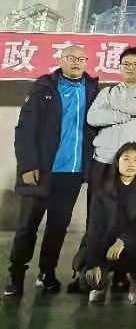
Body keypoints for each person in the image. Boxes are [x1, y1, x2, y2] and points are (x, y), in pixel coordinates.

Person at [4, 45, 99, 296]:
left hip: (72, 173)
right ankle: (16, 274)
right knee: (27, 226)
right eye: (71, 57)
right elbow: (25, 130)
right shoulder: (44, 87)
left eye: (81, 58)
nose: (76, 62)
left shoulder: (92, 90)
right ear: (61, 60)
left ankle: (47, 272)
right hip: (41, 171)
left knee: (58, 226)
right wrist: (28, 165)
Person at [83, 143, 136, 305]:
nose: (131, 164)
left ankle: (135, 280)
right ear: (117, 161)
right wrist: (94, 263)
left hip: (135, 241)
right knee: (87, 279)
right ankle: (103, 279)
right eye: (126, 159)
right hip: (106, 241)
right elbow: (95, 227)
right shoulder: (101, 188)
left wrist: (123, 241)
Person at [87, 47, 136, 190]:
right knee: (98, 203)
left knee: (134, 204)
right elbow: (93, 117)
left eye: (135, 64)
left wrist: (114, 104)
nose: (130, 67)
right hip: (105, 159)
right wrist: (122, 115)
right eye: (126, 64)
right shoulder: (107, 92)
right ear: (120, 66)